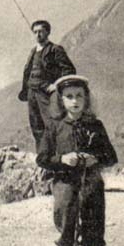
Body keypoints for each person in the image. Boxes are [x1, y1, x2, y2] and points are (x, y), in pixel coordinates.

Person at [35, 75, 118, 246]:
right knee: (67, 230)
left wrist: (94, 158)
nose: (74, 101)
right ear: (61, 100)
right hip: (65, 186)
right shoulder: (54, 127)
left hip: (91, 185)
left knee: (92, 230)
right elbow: (42, 158)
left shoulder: (96, 126)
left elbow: (111, 157)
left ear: (86, 99)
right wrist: (63, 158)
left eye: (79, 96)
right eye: (69, 97)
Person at [17, 19, 76, 149]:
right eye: (35, 32)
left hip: (46, 94)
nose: (38, 35)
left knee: (51, 124)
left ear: (48, 32)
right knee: (36, 126)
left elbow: (69, 70)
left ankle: (55, 158)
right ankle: (42, 157)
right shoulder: (33, 51)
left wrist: (56, 85)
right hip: (31, 92)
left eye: (41, 32)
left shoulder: (55, 49)